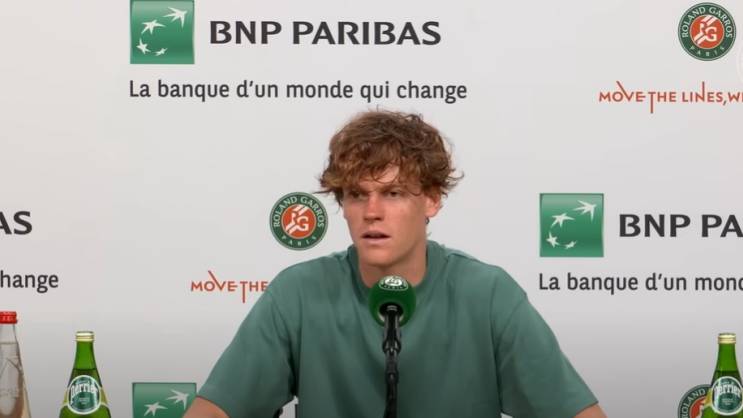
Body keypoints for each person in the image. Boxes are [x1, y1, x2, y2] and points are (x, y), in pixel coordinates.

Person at [184, 111, 607, 418]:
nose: (372, 212)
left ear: (432, 200)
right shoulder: (298, 293)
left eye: (393, 193)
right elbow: (215, 409)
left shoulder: (488, 295)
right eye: (356, 194)